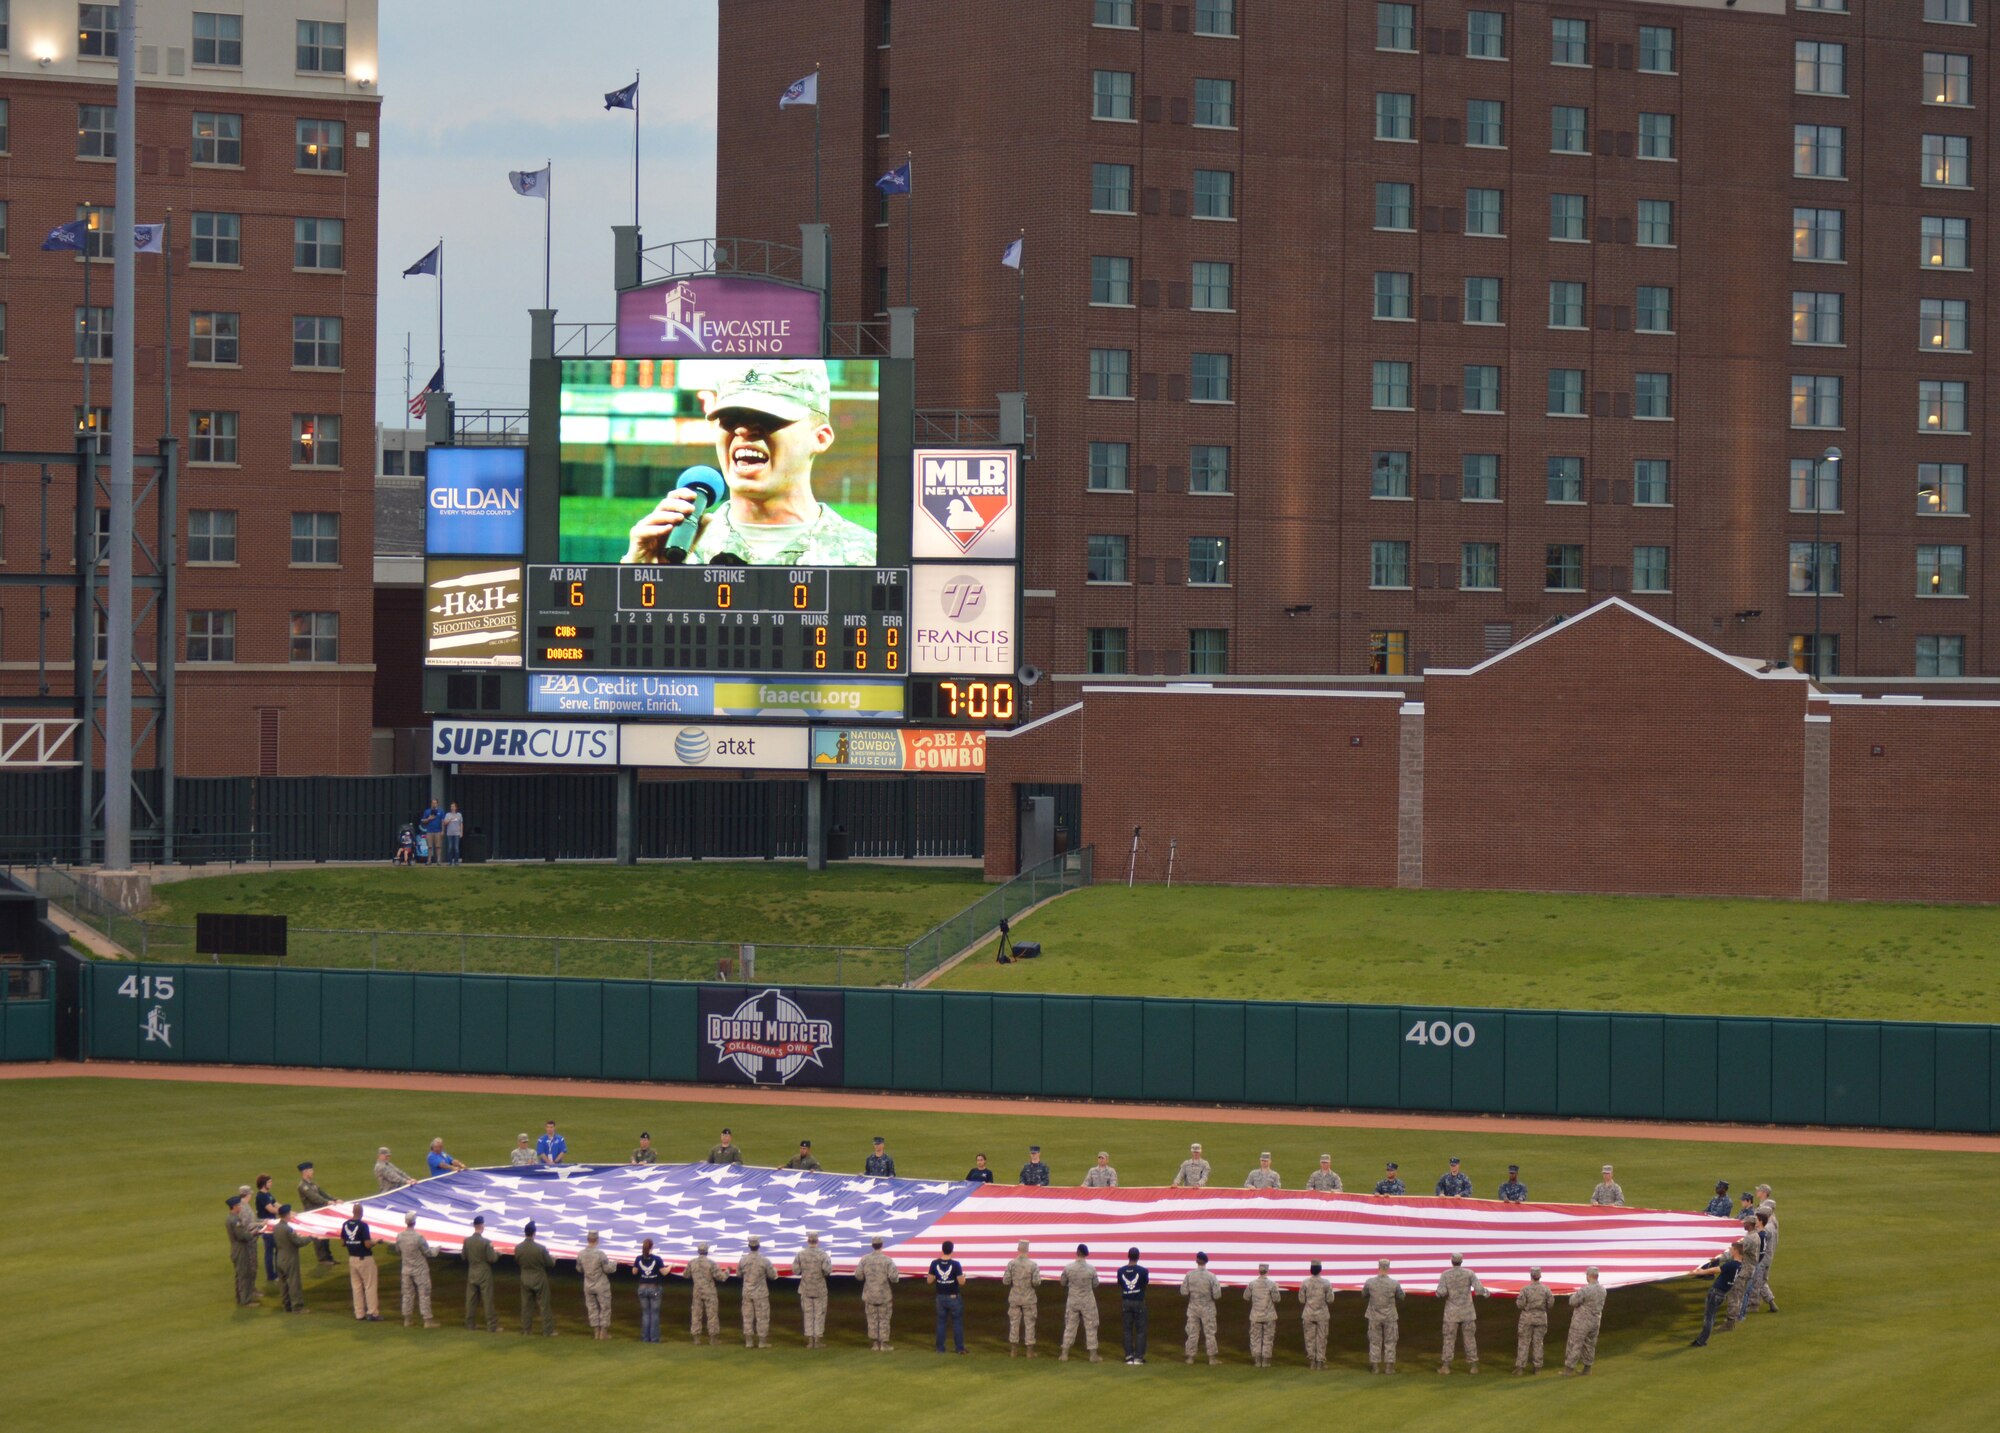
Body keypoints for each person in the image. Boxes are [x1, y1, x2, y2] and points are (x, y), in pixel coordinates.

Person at [619, 359, 876, 567]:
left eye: (768, 418)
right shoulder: (675, 552)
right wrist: (640, 577)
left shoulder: (867, 557)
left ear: (820, 438)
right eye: (729, 419)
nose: (743, 430)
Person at [1435, 1251, 1488, 1374]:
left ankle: (1446, 1367)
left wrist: (1440, 1293)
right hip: (1467, 1312)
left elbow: (1441, 1292)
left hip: (1451, 1313)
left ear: (1451, 1261)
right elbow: (1479, 1290)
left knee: (1448, 1339)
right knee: (1470, 1339)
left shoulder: (1446, 1275)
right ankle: (1473, 1366)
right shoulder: (1469, 1273)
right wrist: (1487, 1292)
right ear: (1461, 1261)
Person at [1691, 1241, 1743, 1347]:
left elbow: (1715, 1270)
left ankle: (1701, 1340)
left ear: (1736, 1251)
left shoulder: (1731, 1264)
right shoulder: (1739, 1265)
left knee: (1709, 1317)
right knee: (1711, 1316)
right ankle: (1702, 1339)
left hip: (1716, 1292)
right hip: (1722, 1293)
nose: (1730, 1251)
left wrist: (1699, 1272)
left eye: (1732, 1249)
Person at [1059, 1243, 1102, 1363]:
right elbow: (1095, 1284)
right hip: (1088, 1301)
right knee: (1091, 1326)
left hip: (1073, 1300)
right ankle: (1093, 1355)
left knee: (1069, 1326)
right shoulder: (1091, 1269)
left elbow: (1063, 1282)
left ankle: (1064, 1354)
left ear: (1077, 1253)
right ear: (1086, 1254)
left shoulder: (1068, 1268)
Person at [1179, 1251, 1223, 1366]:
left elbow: (1183, 1292)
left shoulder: (1189, 1275)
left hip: (1193, 1307)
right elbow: (1217, 1295)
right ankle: (1212, 1358)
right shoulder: (1211, 1276)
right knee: (1210, 1333)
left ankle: (1190, 1358)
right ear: (1206, 1262)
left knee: (1192, 1333)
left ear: (1196, 1261)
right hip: (1207, 1308)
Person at [857, 1235, 900, 1351]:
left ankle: (875, 1344)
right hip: (883, 1295)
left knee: (872, 1319)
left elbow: (858, 1276)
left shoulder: (865, 1259)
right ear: (882, 1245)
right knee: (884, 1319)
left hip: (869, 1294)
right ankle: (884, 1344)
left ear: (872, 1245)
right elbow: (894, 1278)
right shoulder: (887, 1260)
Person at [1562, 1266, 1607, 1375]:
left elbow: (1572, 1302)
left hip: (1582, 1321)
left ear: (1589, 1276)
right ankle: (1587, 1369)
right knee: (1590, 1345)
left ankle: (1569, 1369)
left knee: (1575, 1343)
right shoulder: (1603, 1290)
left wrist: (1573, 1296)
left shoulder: (1585, 1290)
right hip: (1595, 1321)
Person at [339, 1203, 380, 1321]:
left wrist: (351, 1242)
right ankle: (372, 1313)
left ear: (353, 1212)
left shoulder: (345, 1224)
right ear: (361, 1213)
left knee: (356, 1287)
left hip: (352, 1258)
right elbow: (367, 1244)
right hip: (364, 1258)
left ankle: (359, 1313)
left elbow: (342, 1243)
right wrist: (376, 1242)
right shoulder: (363, 1226)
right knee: (369, 1285)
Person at [396, 1212, 437, 1327]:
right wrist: (437, 1249)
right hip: (420, 1270)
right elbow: (428, 1253)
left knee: (407, 1294)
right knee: (424, 1294)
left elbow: (398, 1250)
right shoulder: (419, 1238)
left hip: (406, 1269)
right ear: (415, 1222)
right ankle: (427, 1320)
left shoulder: (399, 1236)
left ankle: (407, 1319)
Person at [1363, 1258, 1404, 1374]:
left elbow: (1363, 1294)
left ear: (1378, 1267)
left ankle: (1375, 1367)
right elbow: (1401, 1296)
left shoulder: (1370, 1282)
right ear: (1388, 1267)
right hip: (1390, 1316)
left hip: (1374, 1315)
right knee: (1390, 1341)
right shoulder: (1394, 1283)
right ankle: (1389, 1367)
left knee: (1374, 1341)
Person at [1002, 1240, 1043, 1356]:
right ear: (1027, 1250)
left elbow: (1006, 1281)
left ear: (1018, 1249)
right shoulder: (1033, 1265)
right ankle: (1030, 1351)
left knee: (1014, 1323)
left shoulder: (1011, 1264)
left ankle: (1013, 1350)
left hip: (1015, 1297)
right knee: (1029, 1323)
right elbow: (1036, 1282)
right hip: (1029, 1298)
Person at [516, 1221, 556, 1336]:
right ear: (534, 1233)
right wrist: (553, 1259)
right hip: (539, 1279)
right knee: (544, 1305)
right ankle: (547, 1330)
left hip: (525, 1278)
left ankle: (526, 1330)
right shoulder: (540, 1248)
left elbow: (518, 1260)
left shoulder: (518, 1248)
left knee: (526, 1306)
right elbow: (549, 1263)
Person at [794, 1232, 833, 1348]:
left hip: (805, 1288)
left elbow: (796, 1270)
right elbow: (827, 1271)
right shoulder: (823, 1255)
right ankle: (818, 1340)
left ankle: (810, 1341)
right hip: (819, 1289)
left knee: (808, 1314)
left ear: (808, 1241)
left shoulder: (800, 1254)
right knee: (819, 1314)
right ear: (817, 1241)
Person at [928, 1240, 967, 1354]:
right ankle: (959, 1348)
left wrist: (938, 1276)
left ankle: (940, 1348)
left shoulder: (934, 1263)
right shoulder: (955, 1264)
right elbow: (961, 1282)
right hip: (954, 1297)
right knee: (957, 1323)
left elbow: (929, 1280)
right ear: (952, 1250)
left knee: (941, 1322)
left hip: (940, 1297)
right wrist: (964, 1277)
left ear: (942, 1249)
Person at [462, 1215, 500, 1332]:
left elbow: (463, 1257)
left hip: (472, 1272)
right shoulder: (486, 1242)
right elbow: (492, 1258)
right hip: (484, 1272)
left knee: (471, 1300)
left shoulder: (467, 1241)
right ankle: (491, 1325)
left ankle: (470, 1324)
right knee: (487, 1299)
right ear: (482, 1226)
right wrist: (498, 1254)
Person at [295, 1162, 337, 1265]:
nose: (313, 1172)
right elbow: (314, 1198)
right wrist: (327, 1202)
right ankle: (322, 1259)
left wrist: (335, 1199)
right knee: (318, 1237)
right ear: (305, 1172)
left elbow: (323, 1193)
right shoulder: (302, 1186)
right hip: (312, 1215)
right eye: (310, 1170)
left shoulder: (313, 1184)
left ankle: (328, 1257)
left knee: (326, 1235)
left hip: (320, 1213)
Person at [1741, 1206, 1779, 1317]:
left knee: (1756, 1281)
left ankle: (1753, 1305)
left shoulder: (1766, 1229)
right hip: (1768, 1256)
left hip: (1762, 1258)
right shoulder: (1772, 1224)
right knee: (1761, 1281)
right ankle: (1771, 1302)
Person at [685, 1241, 726, 1344]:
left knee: (696, 1314)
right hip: (710, 1292)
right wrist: (728, 1271)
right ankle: (713, 1339)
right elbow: (721, 1277)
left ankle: (696, 1339)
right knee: (712, 1315)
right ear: (707, 1251)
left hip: (697, 1291)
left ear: (698, 1251)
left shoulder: (692, 1262)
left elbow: (686, 1275)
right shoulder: (711, 1263)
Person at [1514, 1266, 1553, 1373]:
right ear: (1540, 1276)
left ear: (1531, 1276)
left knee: (1523, 1342)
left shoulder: (1525, 1289)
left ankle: (1520, 1368)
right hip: (1541, 1318)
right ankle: (1537, 1368)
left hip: (1527, 1318)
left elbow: (1520, 1305)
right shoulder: (1546, 1289)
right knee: (1538, 1342)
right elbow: (1551, 1304)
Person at [272, 1205, 310, 1314]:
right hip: (290, 1258)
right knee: (293, 1282)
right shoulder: (287, 1229)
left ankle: (286, 1305)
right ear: (287, 1215)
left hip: (280, 1257)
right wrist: (310, 1238)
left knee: (283, 1283)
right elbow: (298, 1242)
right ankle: (297, 1307)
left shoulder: (276, 1227)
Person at [740, 1236, 776, 1348]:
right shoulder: (764, 1261)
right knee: (762, 1317)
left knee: (747, 1317)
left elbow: (738, 1274)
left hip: (747, 1293)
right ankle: (762, 1342)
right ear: (758, 1246)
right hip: (760, 1293)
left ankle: (749, 1342)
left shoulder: (743, 1260)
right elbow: (772, 1276)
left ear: (749, 1246)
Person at [1727, 1214, 1763, 1326]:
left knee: (1737, 1293)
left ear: (1750, 1224)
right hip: (1749, 1268)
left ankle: (1734, 1318)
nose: (1743, 1224)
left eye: (1745, 1223)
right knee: (1741, 1293)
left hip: (1745, 1270)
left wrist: (1727, 1253)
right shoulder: (1752, 1235)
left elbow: (1740, 1251)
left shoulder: (1751, 1238)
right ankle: (1739, 1315)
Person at [1244, 1262, 1282, 1367]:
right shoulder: (1272, 1284)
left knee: (1255, 1338)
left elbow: (1246, 1297)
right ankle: (1266, 1361)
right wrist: (1276, 1289)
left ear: (1259, 1271)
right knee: (1268, 1338)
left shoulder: (1252, 1284)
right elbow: (1277, 1299)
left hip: (1256, 1315)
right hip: (1269, 1315)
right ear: (1267, 1271)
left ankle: (1257, 1360)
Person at [579, 1230, 614, 1340]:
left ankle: (596, 1333)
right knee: (605, 1307)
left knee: (592, 1308)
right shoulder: (600, 1254)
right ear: (597, 1240)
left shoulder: (581, 1254)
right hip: (601, 1284)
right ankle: (603, 1333)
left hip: (588, 1284)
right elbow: (608, 1269)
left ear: (588, 1239)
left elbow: (579, 1268)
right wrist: (615, 1263)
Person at [225, 1195, 260, 1306]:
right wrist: (254, 1233)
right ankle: (245, 1300)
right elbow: (242, 1236)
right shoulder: (235, 1220)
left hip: (236, 1248)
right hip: (240, 1249)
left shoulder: (230, 1218)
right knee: (244, 1274)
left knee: (240, 1274)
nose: (240, 1206)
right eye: (238, 1205)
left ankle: (240, 1298)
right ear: (234, 1206)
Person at [1299, 1260, 1334, 1370]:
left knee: (1309, 1338)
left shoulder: (1305, 1283)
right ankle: (1320, 1362)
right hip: (1322, 1314)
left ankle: (1312, 1361)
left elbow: (1301, 1299)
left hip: (1308, 1313)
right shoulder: (1326, 1283)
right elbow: (1330, 1299)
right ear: (1320, 1269)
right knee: (1322, 1338)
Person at [1117, 1247, 1150, 1365]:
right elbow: (1145, 1283)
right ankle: (1138, 1357)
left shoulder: (1120, 1271)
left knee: (1127, 1330)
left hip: (1126, 1301)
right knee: (1140, 1330)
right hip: (1139, 1301)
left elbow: (1120, 1283)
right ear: (1138, 1256)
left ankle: (1128, 1356)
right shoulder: (1143, 1271)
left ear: (1128, 1256)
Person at [633, 1237, 666, 1343]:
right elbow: (664, 1272)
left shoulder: (638, 1259)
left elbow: (634, 1272)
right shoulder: (657, 1259)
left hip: (642, 1288)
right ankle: (654, 1338)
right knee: (654, 1314)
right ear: (652, 1247)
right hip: (654, 1288)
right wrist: (671, 1267)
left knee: (646, 1314)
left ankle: (645, 1338)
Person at [254, 1174, 280, 1284]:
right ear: (263, 1184)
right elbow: (271, 1209)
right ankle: (271, 1276)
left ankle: (278, 1273)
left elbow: (276, 1204)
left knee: (277, 1249)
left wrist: (288, 1210)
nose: (271, 1184)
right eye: (269, 1182)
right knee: (269, 1251)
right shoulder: (261, 1196)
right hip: (267, 1227)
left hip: (273, 1225)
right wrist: (285, 1213)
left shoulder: (267, 1194)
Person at [419, 798, 444, 864]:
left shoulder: (441, 811)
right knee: (429, 846)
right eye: (433, 803)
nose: (434, 804)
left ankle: (438, 860)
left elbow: (442, 821)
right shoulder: (427, 811)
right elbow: (422, 821)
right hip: (429, 831)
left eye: (435, 803)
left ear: (437, 804)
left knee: (438, 846)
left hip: (438, 831)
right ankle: (429, 860)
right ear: (431, 804)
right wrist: (428, 819)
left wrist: (442, 830)